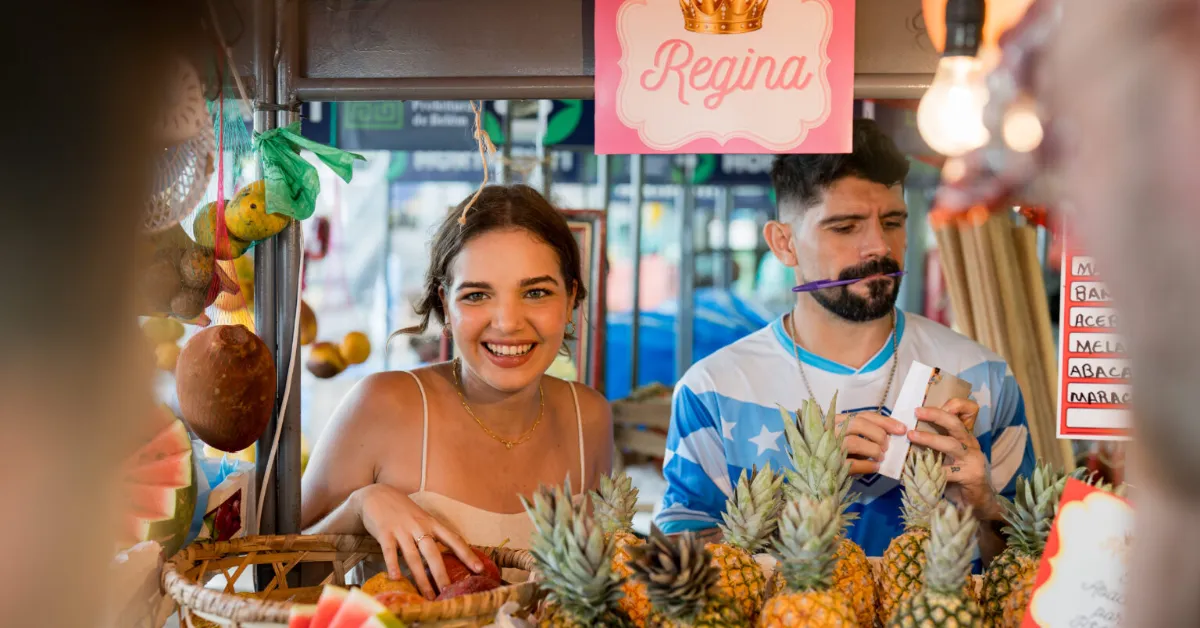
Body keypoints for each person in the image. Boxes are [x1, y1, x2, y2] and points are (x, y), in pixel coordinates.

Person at [655, 119, 1037, 561]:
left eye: (892, 222)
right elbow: (675, 562)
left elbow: (1031, 570)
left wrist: (984, 506)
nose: (879, 247)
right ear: (783, 244)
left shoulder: (984, 376)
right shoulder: (713, 390)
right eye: (845, 227)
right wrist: (795, 504)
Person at [302, 184, 613, 600]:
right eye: (477, 295)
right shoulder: (382, 404)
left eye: (536, 292)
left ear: (571, 297)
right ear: (445, 304)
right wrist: (359, 507)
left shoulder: (589, 417)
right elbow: (275, 579)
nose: (507, 323)